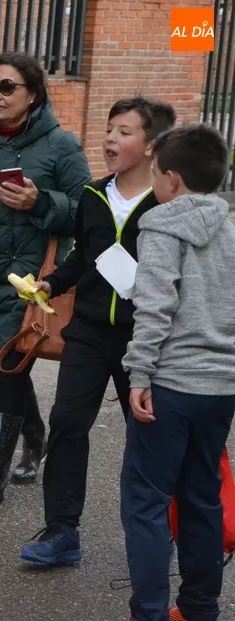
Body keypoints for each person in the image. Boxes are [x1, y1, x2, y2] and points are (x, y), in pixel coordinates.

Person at [20, 96, 177, 567]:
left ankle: (161, 530)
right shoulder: (93, 194)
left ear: (151, 146)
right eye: (109, 129)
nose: (110, 139)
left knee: (148, 434)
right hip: (88, 330)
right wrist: (51, 283)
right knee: (67, 423)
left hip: (143, 338)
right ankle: (62, 531)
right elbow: (82, 257)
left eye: (124, 132)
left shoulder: (168, 202)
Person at [0, 51, 91, 518]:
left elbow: (86, 214)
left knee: (7, 364)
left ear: (33, 94)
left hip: (30, 280)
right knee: (1, 360)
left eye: (7, 87)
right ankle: (34, 434)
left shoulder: (62, 145)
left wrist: (39, 201)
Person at [120, 123, 235, 621]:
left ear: (171, 179)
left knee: (145, 502)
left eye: (154, 175)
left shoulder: (161, 225)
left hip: (171, 383)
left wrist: (138, 375)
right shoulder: (230, 229)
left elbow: (155, 306)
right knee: (201, 495)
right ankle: (199, 608)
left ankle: (147, 612)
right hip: (221, 387)